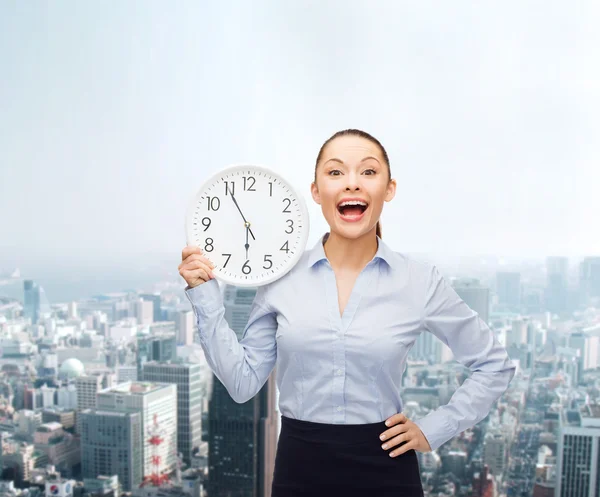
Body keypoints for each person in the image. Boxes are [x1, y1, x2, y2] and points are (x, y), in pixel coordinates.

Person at [179, 129, 517, 497]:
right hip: (299, 470)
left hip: (387, 468)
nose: (352, 184)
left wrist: (433, 429)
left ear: (389, 189)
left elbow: (494, 365)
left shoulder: (418, 281)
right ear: (315, 191)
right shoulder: (279, 280)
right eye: (336, 172)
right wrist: (204, 294)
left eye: (368, 172)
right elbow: (243, 384)